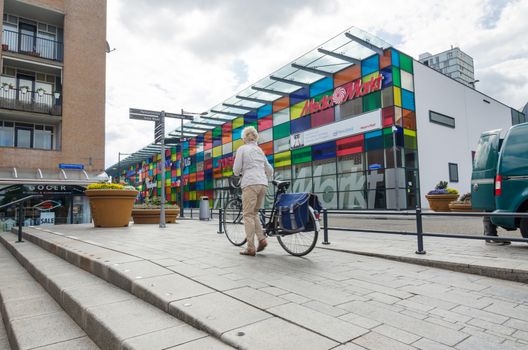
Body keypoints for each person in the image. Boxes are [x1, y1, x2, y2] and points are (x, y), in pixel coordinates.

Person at [233, 126, 274, 256]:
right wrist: (264, 177)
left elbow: (236, 169)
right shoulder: (259, 150)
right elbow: (269, 169)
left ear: (244, 138)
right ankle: (262, 239)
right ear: (255, 137)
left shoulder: (242, 149)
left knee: (247, 215)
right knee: (254, 213)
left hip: (250, 183)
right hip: (263, 183)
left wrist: (240, 173)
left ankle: (250, 247)